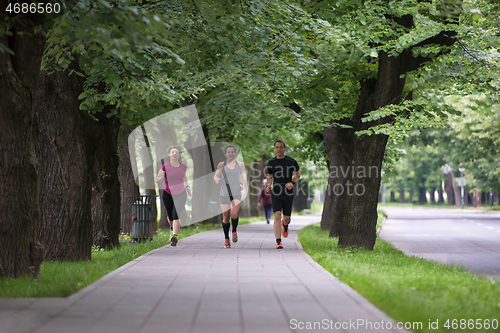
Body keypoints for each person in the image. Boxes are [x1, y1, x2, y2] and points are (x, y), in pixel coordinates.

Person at [266, 140, 301, 249]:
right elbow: (269, 175)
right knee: (277, 215)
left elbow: (298, 174)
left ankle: (285, 225)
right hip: (276, 190)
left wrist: (292, 182)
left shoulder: (291, 161)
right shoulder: (271, 162)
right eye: (277, 147)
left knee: (287, 219)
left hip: (287, 191)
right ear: (275, 149)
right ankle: (278, 241)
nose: (279, 149)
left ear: (284, 148)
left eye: (281, 147)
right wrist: (268, 185)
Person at [155, 146, 192, 246]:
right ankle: (172, 227)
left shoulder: (183, 166)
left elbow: (184, 178)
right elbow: (157, 178)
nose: (175, 153)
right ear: (169, 154)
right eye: (173, 152)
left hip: (181, 193)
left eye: (176, 152)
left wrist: (187, 187)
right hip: (168, 193)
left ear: (179, 155)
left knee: (176, 215)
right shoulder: (165, 166)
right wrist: (159, 178)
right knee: (170, 216)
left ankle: (174, 236)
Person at [214, 146, 245, 248]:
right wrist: (216, 179)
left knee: (234, 213)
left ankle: (234, 231)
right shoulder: (221, 164)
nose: (231, 153)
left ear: (235, 153)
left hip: (236, 192)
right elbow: (216, 175)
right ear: (225, 154)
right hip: (224, 193)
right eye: (229, 152)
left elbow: (241, 175)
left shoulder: (239, 164)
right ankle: (226, 239)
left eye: (232, 152)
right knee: (226, 217)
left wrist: (241, 183)